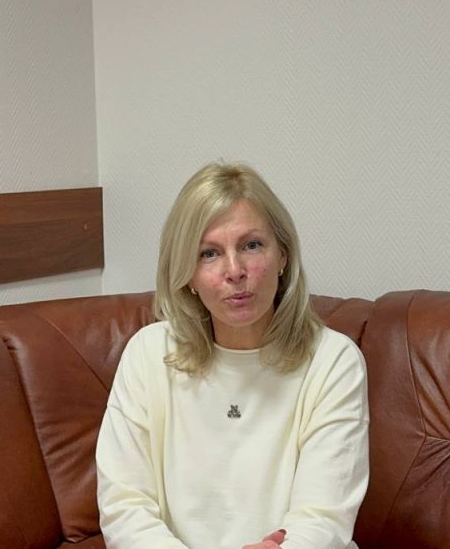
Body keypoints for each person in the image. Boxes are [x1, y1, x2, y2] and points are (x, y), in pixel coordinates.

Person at [96, 162, 369, 549]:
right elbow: (124, 507)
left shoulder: (333, 361)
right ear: (188, 274)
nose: (235, 270)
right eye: (209, 253)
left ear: (283, 255)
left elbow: (323, 518)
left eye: (251, 245)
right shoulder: (148, 354)